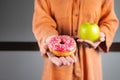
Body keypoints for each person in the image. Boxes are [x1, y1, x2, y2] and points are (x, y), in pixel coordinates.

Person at [32, 0, 119, 80]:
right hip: (56, 64)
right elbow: (42, 21)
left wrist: (102, 34)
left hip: (90, 66)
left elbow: (109, 21)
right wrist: (50, 38)